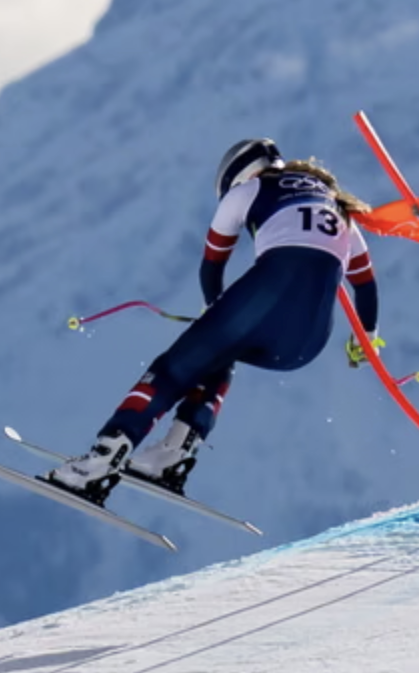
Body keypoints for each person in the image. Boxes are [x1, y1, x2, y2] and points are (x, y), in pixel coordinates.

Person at [43, 138, 383, 504]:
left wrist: (214, 315)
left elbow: (212, 264)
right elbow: (366, 287)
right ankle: (172, 455)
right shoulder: (339, 210)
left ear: (237, 175)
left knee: (173, 369)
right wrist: (365, 341)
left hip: (267, 295)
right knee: (219, 353)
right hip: (308, 344)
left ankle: (97, 465)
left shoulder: (250, 190)